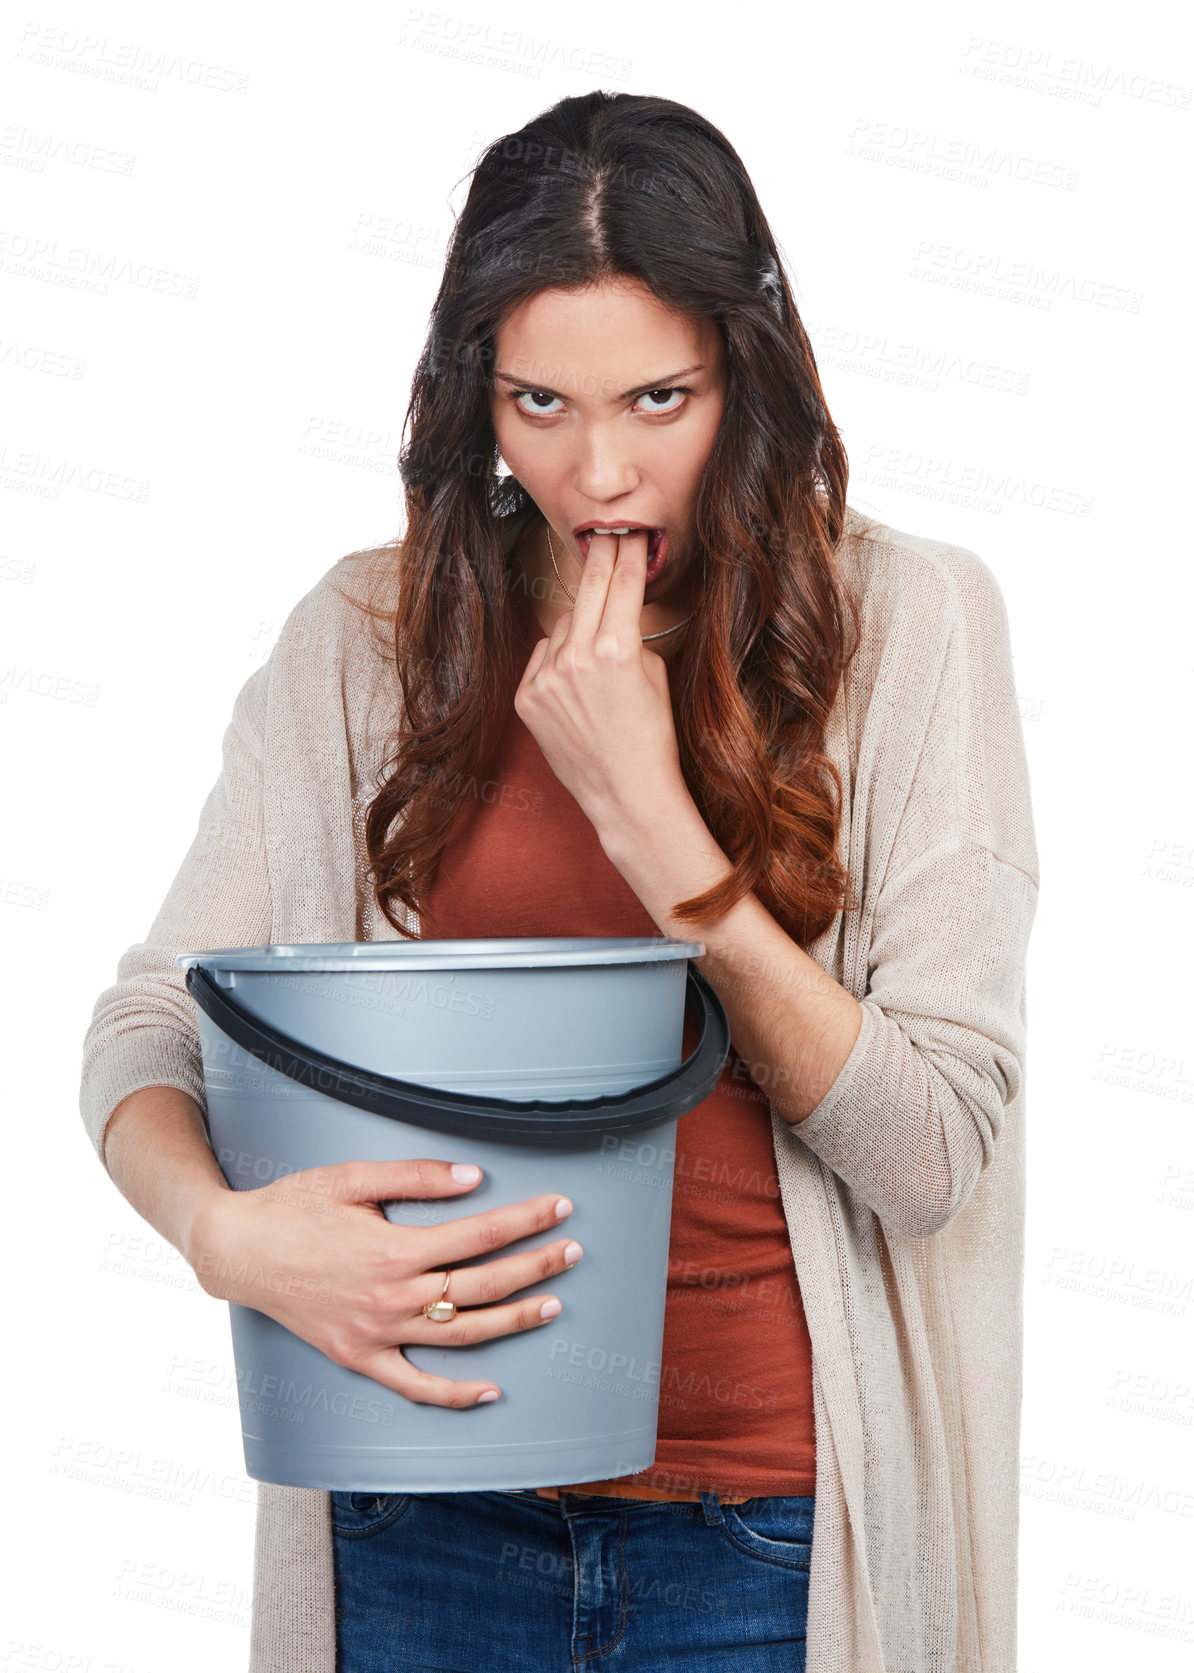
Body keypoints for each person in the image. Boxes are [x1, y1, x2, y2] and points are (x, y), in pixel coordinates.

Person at [79, 91, 1038, 1673]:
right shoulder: (365, 640)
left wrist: (658, 833)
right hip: (415, 1515)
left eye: (660, 399)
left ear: (751, 374)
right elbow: (147, 1025)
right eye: (541, 402)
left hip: (763, 1534)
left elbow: (931, 1153)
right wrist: (222, 1236)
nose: (598, 473)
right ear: (477, 394)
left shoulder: (909, 624)